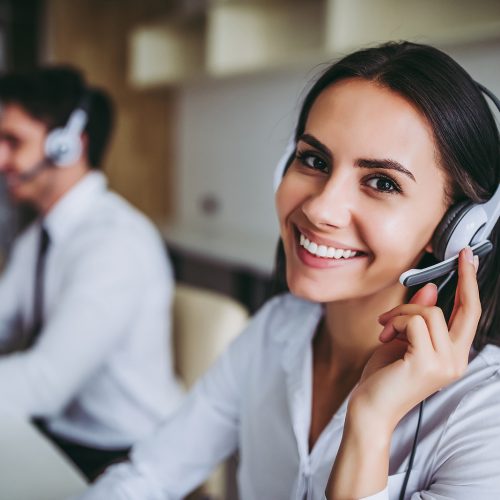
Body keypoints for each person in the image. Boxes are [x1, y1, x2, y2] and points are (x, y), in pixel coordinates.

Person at [76, 41, 500, 499]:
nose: (321, 209)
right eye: (314, 160)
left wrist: (371, 423)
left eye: (381, 182)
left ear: (460, 230)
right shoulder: (275, 331)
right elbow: (148, 477)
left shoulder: (483, 417)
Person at [0, 66, 184, 481]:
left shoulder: (114, 243)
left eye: (13, 141)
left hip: (126, 453)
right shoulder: (39, 237)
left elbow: (43, 384)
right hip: (64, 435)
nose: (0, 159)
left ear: (68, 145)